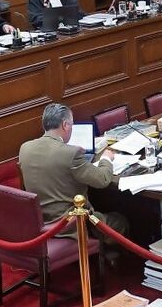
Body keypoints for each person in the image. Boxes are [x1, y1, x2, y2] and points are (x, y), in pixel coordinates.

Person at [18, 103, 128, 256]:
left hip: (40, 222)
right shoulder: (71, 154)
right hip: (70, 224)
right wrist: (106, 159)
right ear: (65, 124)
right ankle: (114, 257)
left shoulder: (25, 148)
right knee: (122, 221)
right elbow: (102, 180)